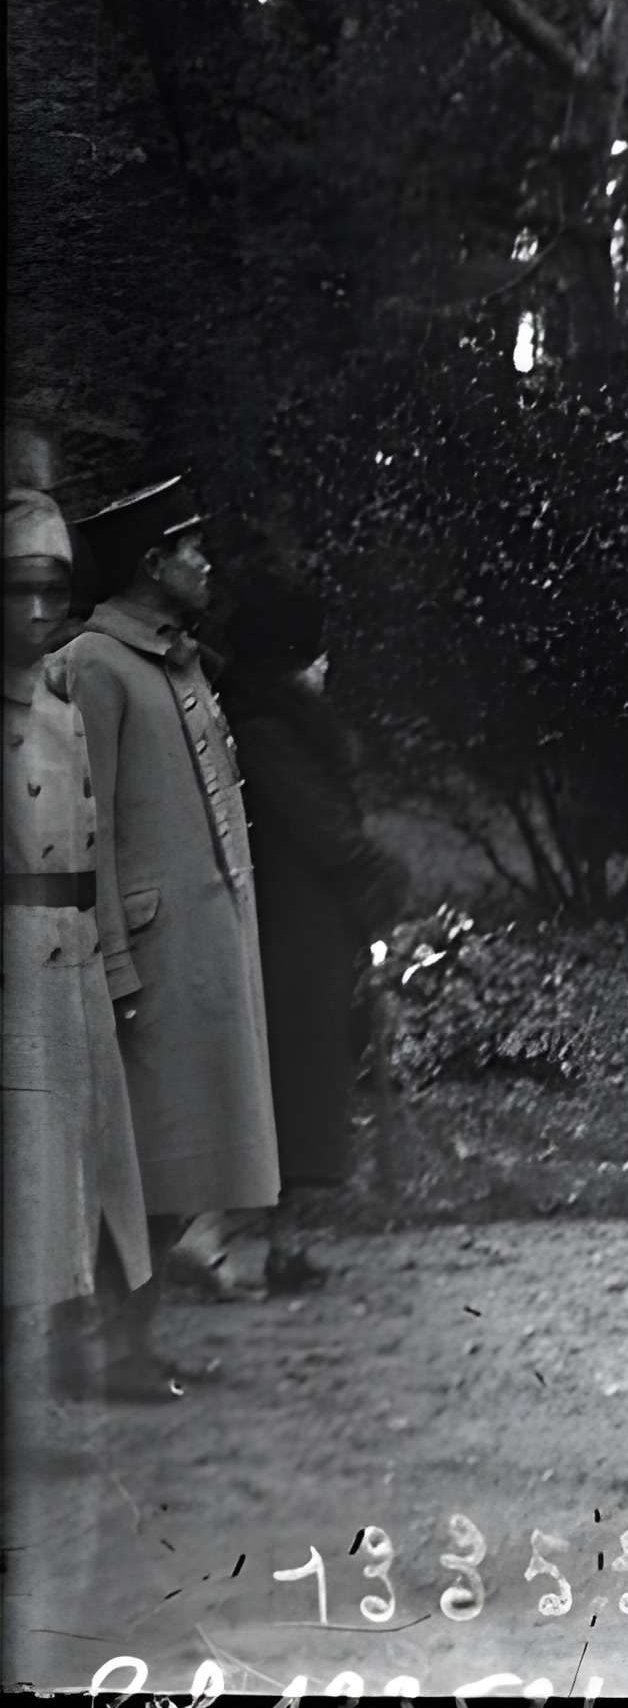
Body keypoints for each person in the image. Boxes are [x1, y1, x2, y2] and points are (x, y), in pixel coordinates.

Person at [59, 479, 282, 1364]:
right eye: (190, 547)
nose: (207, 561)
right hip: (146, 961)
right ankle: (117, 1347)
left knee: (184, 1155)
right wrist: (110, 963)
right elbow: (87, 831)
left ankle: (132, 1342)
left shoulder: (179, 660)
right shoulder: (95, 666)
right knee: (141, 1159)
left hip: (203, 951)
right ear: (151, 565)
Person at [4, 485, 156, 1396]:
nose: (35, 612)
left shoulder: (62, 706)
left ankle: (98, 1351)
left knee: (95, 1162)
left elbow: (93, 845)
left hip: (75, 955)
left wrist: (112, 958)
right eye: (14, 590)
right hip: (16, 960)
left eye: (49, 592)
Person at [221, 571, 409, 1293]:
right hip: (287, 932)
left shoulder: (281, 727)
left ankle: (281, 1245)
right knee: (293, 1094)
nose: (325, 668)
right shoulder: (271, 733)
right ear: (289, 663)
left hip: (307, 928)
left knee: (302, 1093)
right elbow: (325, 831)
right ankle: (239, 1244)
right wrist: (381, 879)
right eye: (313, 656)